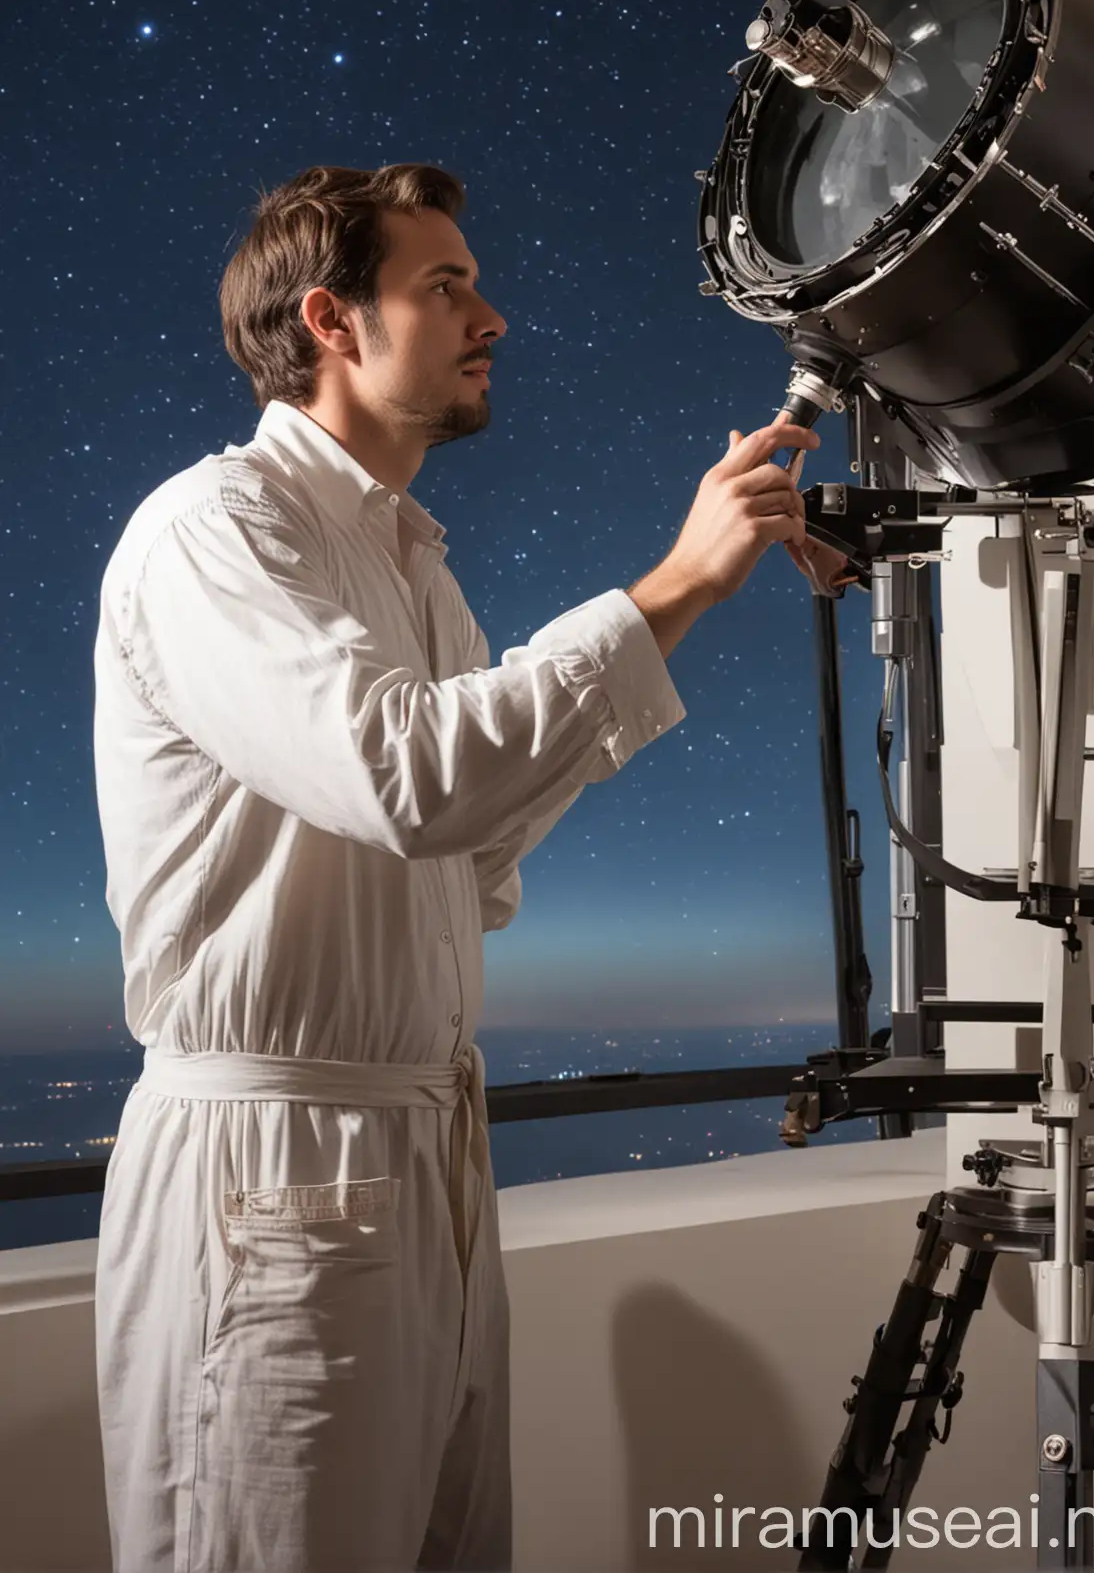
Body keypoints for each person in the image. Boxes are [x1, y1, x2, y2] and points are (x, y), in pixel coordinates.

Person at [92, 161, 851, 1573]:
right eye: (446, 286)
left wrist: (689, 600)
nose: (491, 315)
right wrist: (667, 582)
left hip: (423, 1156)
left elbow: (467, 847)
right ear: (330, 320)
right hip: (274, 1179)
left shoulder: (412, 568)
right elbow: (407, 778)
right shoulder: (215, 532)